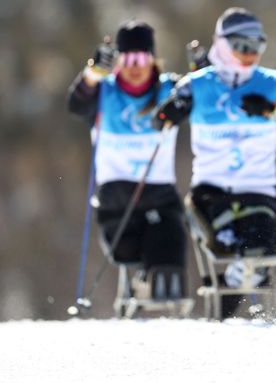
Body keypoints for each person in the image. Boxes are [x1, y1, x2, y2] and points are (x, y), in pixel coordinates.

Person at [153, 7, 276, 317]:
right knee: (228, 244)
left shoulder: (271, 82)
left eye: (256, 47)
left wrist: (274, 108)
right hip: (211, 191)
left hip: (257, 190)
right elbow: (160, 119)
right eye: (240, 46)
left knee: (263, 248)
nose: (249, 55)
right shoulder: (197, 83)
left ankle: (228, 302)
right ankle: (228, 299)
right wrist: (170, 113)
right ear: (220, 44)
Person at [67, 20, 188, 302]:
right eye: (129, 58)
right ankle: (140, 283)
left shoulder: (169, 87)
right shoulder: (103, 90)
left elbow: (198, 98)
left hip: (159, 191)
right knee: (124, 250)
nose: (135, 66)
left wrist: (203, 70)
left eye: (142, 57)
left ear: (152, 58)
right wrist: (92, 73)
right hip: (116, 194)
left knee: (169, 245)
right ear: (120, 59)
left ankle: (163, 298)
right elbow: (76, 104)